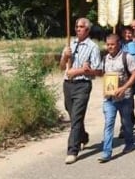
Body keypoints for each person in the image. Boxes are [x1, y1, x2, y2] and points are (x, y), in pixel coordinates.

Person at [59, 18, 103, 165]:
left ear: (88, 29)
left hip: (82, 85)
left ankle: (72, 150)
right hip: (68, 84)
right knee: (72, 115)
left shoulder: (93, 47)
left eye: (81, 27)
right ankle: (83, 136)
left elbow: (98, 71)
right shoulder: (70, 44)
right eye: (76, 26)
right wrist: (65, 56)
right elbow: (61, 67)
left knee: (77, 117)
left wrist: (83, 71)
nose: (78, 29)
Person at [98, 34, 135, 163]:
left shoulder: (127, 57)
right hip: (109, 99)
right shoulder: (105, 59)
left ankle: (129, 143)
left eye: (112, 44)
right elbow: (101, 74)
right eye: (108, 44)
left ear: (118, 44)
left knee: (126, 123)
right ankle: (107, 152)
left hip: (124, 98)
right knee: (108, 124)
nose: (110, 47)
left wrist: (124, 88)